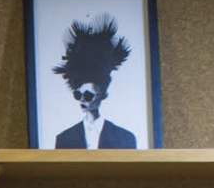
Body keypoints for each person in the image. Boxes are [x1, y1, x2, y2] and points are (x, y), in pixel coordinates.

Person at [46, 14, 142, 149]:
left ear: (103, 95)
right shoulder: (64, 139)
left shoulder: (125, 138)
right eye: (77, 95)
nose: (82, 100)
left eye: (88, 95)